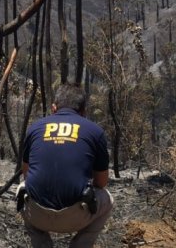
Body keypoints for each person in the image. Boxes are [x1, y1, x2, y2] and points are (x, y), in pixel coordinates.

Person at [18, 84, 114, 248]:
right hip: (75, 217)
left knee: (22, 189)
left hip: (37, 215)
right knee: (108, 200)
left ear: (54, 108)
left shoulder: (34, 129)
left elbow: (27, 175)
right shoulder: (95, 131)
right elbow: (102, 182)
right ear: (84, 110)